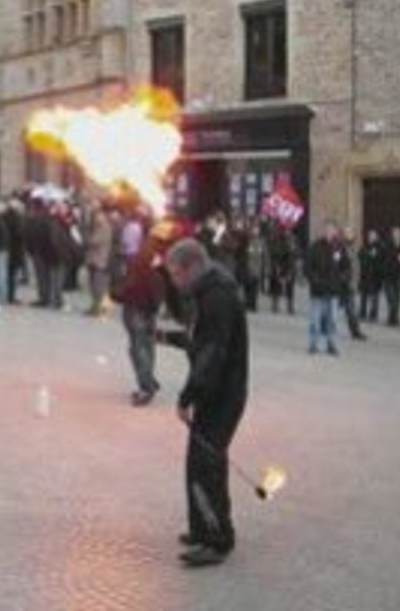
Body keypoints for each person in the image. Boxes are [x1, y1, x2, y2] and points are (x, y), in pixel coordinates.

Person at [161, 239, 248, 568]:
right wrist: (166, 337)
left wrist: (188, 396)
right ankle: (201, 527)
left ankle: (217, 538)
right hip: (215, 392)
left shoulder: (217, 298)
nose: (173, 282)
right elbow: (200, 341)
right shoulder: (207, 292)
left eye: (175, 274)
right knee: (198, 463)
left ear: (191, 268)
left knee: (206, 466)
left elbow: (211, 355)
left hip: (222, 395)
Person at [111, 235, 165, 406]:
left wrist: (117, 292)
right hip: (149, 310)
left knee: (137, 348)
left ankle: (146, 385)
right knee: (147, 346)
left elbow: (124, 288)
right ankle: (148, 380)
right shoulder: (158, 264)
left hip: (135, 309)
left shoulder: (136, 263)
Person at [305, 221, 342, 355]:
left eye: (331, 230)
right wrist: (314, 280)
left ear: (335, 232)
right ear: (323, 231)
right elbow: (307, 267)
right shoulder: (315, 247)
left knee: (333, 320)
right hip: (318, 290)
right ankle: (313, 343)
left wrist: (343, 278)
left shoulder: (339, 248)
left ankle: (331, 344)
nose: (329, 232)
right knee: (315, 319)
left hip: (333, 290)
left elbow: (346, 266)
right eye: (327, 229)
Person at [337, 227, 367, 341]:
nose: (349, 235)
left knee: (349, 309)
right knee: (348, 309)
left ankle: (355, 331)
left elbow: (356, 267)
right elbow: (338, 265)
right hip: (345, 284)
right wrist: (343, 278)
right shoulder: (341, 248)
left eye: (351, 233)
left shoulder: (353, 248)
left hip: (352, 284)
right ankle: (355, 331)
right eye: (347, 233)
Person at [84, 201, 114, 317]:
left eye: (98, 216)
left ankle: (98, 308)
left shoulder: (104, 227)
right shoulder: (96, 226)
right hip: (93, 259)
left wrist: (87, 238)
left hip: (100, 260)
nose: (96, 218)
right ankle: (94, 306)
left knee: (98, 286)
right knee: (92, 285)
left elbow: (94, 241)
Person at [381, 227, 400, 327]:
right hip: (388, 276)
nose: (396, 235)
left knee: (397, 299)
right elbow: (383, 259)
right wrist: (384, 270)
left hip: (399, 276)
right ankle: (392, 317)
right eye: (395, 233)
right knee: (391, 298)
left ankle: (394, 319)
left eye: (398, 233)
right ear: (392, 235)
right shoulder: (387, 245)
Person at [358, 229, 383, 322]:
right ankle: (362, 313)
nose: (371, 238)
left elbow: (380, 259)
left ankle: (373, 314)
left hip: (375, 276)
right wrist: (367, 256)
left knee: (374, 297)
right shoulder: (365, 246)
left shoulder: (379, 247)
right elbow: (360, 255)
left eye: (373, 236)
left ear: (376, 237)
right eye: (370, 236)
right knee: (363, 296)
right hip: (365, 275)